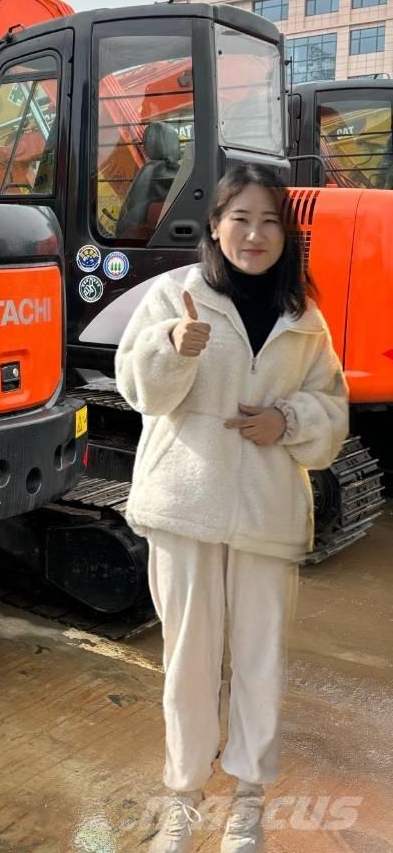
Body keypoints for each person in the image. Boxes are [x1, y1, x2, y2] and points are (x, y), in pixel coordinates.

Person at [115, 164, 349, 852]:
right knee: (188, 662)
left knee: (259, 662)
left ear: (287, 234)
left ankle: (248, 803)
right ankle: (184, 799)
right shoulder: (174, 297)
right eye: (240, 218)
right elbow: (140, 392)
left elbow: (333, 410)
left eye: (270, 221)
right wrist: (171, 348)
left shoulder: (304, 319)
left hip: (267, 514)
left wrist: (289, 419)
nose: (254, 234)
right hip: (185, 506)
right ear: (215, 226)